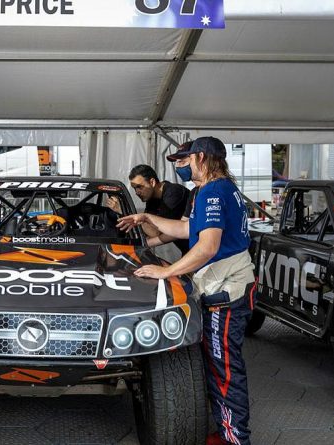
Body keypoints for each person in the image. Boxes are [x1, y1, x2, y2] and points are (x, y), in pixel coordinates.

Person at [117, 136, 255, 445]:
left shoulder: (212, 192)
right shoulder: (216, 190)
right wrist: (147, 217)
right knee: (218, 366)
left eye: (185, 160)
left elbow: (207, 247)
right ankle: (225, 432)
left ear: (202, 158)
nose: (181, 166)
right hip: (226, 286)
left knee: (225, 371)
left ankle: (235, 439)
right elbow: (186, 230)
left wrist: (166, 271)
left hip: (226, 291)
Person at [108, 164, 190, 254]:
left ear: (152, 182)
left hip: (198, 248)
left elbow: (155, 232)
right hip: (188, 250)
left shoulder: (173, 193)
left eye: (139, 187)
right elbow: (148, 231)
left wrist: (124, 211)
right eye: (134, 188)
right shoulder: (152, 199)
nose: (137, 192)